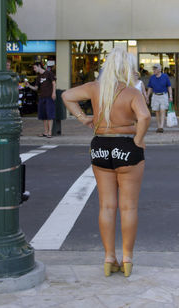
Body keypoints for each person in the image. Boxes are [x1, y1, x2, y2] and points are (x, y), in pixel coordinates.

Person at [62, 48, 151, 277]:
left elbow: (66, 96)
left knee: (106, 206)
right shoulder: (132, 91)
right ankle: (127, 259)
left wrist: (83, 118)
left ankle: (109, 258)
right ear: (126, 68)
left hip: (100, 146)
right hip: (126, 146)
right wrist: (139, 140)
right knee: (128, 206)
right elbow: (144, 116)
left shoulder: (94, 88)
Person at [25, 62, 56, 138]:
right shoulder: (38, 77)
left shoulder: (48, 73)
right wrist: (29, 85)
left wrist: (54, 93)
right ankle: (45, 132)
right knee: (43, 116)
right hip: (42, 97)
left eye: (35, 67)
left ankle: (50, 132)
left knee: (50, 115)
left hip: (49, 97)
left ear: (39, 66)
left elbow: (54, 83)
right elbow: (36, 88)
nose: (34, 69)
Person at [147, 63, 173, 133]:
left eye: (155, 69)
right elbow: (150, 87)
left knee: (162, 110)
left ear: (159, 69)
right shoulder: (152, 77)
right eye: (153, 68)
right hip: (155, 96)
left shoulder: (165, 76)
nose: (153, 70)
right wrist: (147, 96)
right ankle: (158, 126)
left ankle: (161, 126)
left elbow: (169, 86)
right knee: (157, 111)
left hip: (163, 95)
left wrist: (170, 96)